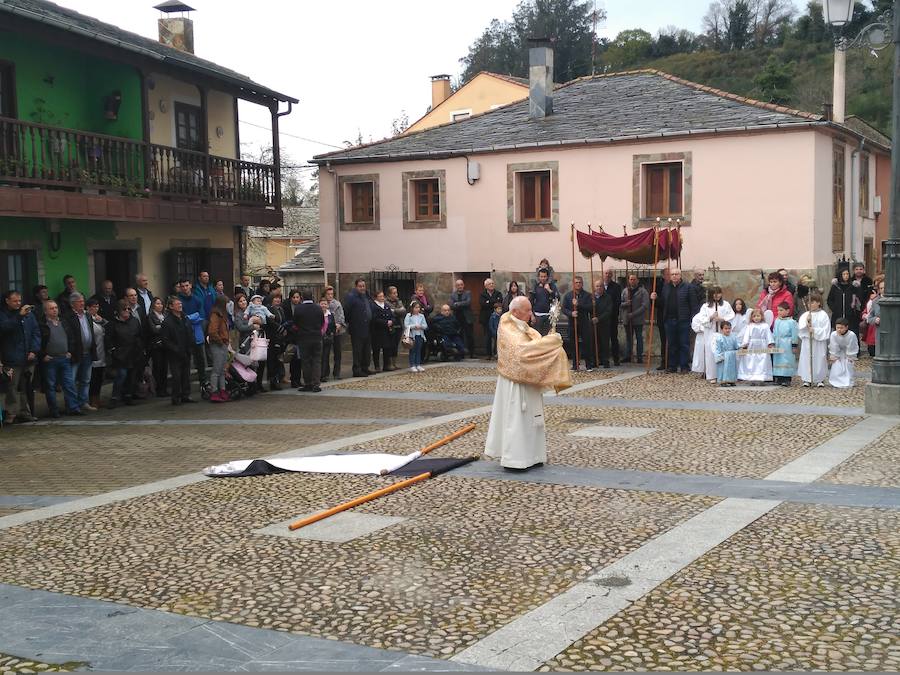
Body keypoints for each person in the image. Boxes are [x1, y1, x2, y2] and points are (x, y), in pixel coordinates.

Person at [485, 296, 571, 470]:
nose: (531, 314)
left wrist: (548, 342)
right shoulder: (507, 326)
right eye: (528, 310)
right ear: (516, 312)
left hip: (528, 382)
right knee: (517, 420)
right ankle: (515, 459)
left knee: (532, 419)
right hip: (515, 383)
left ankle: (534, 455)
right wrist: (551, 342)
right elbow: (521, 353)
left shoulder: (523, 327)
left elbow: (536, 345)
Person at [0, 290, 40, 423]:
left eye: (19, 300)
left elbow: (36, 332)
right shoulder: (3, 314)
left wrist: (34, 350)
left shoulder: (29, 314)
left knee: (26, 387)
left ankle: (25, 412)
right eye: (15, 301)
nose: (18, 303)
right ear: (7, 301)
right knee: (12, 387)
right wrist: (19, 316)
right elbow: (4, 328)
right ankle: (11, 413)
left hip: (29, 357)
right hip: (12, 357)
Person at [39, 300, 80, 418]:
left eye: (56, 307)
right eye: (51, 308)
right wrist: (43, 355)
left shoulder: (63, 322)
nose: (55, 310)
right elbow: (38, 341)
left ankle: (73, 408)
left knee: (69, 384)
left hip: (64, 358)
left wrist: (70, 351)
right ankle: (54, 410)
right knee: (50, 386)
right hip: (50, 360)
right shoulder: (42, 324)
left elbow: (71, 337)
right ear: (45, 311)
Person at [105, 299, 142, 407]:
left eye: (128, 309)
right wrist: (113, 350)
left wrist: (140, 348)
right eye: (124, 309)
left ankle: (128, 396)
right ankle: (115, 397)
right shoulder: (113, 324)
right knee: (121, 375)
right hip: (120, 355)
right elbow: (108, 339)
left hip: (133, 353)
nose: (126, 311)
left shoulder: (134, 321)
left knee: (132, 376)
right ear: (118, 311)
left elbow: (139, 335)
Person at [661, 269, 698, 373]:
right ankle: (672, 366)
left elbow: (694, 305)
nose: (674, 276)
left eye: (676, 274)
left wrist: (692, 319)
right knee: (672, 344)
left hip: (683, 320)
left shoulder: (688, 287)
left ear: (680, 275)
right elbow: (662, 303)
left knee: (684, 344)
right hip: (669, 320)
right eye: (672, 274)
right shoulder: (666, 287)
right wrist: (653, 298)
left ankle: (684, 366)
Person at [161, 296, 195, 405]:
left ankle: (186, 395)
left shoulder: (185, 318)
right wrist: (175, 349)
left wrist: (190, 346)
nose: (180, 305)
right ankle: (176, 397)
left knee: (186, 375)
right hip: (175, 353)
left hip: (186, 351)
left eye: (180, 304)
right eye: (177, 304)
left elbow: (190, 332)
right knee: (176, 376)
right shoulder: (167, 322)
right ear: (171, 306)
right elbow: (165, 340)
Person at [65, 292, 97, 412]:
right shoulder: (69, 317)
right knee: (71, 381)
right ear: (72, 304)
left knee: (85, 380)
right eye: (79, 301)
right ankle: (72, 405)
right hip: (75, 353)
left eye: (83, 301)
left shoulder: (87, 315)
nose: (82, 303)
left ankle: (83, 402)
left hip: (88, 352)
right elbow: (69, 335)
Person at [697, 287, 734, 383]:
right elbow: (701, 319)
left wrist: (722, 319)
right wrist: (711, 317)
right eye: (714, 293)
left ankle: (725, 374)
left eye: (718, 293)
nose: (716, 295)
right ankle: (712, 375)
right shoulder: (706, 306)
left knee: (723, 351)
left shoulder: (726, 304)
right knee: (711, 353)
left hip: (722, 332)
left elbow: (731, 315)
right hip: (711, 333)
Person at [294, 290, 324, 392]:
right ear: (312, 297)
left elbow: (295, 323)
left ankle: (308, 383)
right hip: (316, 337)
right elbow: (322, 322)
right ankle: (316, 384)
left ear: (302, 297)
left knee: (305, 361)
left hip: (303, 338)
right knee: (316, 361)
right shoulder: (318, 308)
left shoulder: (298, 309)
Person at [798, 292, 830, 387]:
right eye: (808, 303)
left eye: (812, 302)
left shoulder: (823, 315)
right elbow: (800, 328)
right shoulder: (805, 315)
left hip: (818, 342)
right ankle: (807, 378)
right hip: (808, 341)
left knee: (819, 358)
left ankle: (819, 378)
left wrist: (814, 330)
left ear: (819, 303)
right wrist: (806, 324)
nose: (810, 305)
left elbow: (826, 329)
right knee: (806, 358)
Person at [562, 276, 594, 370]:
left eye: (580, 282)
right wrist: (571, 313)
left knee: (587, 343)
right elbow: (564, 309)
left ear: (582, 283)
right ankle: (575, 364)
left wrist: (578, 304)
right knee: (573, 343)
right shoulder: (568, 296)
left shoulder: (587, 295)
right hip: (573, 322)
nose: (578, 284)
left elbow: (590, 307)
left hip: (584, 322)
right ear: (573, 284)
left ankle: (589, 364)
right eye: (576, 282)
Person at [344, 278, 374, 377]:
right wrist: (351, 323)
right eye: (360, 286)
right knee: (358, 351)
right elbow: (346, 311)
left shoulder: (367, 296)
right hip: (357, 328)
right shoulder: (351, 297)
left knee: (366, 350)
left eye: (363, 286)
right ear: (356, 287)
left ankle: (365, 368)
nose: (362, 288)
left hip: (367, 327)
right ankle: (357, 370)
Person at [739, 307, 774, 385]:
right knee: (752, 361)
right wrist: (745, 344)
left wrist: (770, 343)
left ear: (761, 316)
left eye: (758, 316)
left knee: (762, 361)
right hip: (752, 346)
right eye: (754, 316)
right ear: (752, 317)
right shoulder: (750, 326)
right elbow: (747, 336)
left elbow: (768, 335)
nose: (756, 318)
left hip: (763, 345)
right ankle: (752, 378)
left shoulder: (765, 326)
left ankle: (762, 377)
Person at [206, 296, 231, 403]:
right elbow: (212, 331)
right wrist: (220, 341)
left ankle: (222, 390)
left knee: (222, 370)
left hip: (223, 343)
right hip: (218, 344)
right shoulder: (215, 315)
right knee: (216, 370)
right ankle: (214, 391)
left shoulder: (222, 315)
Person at [621, 274, 649, 364]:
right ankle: (628, 356)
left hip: (638, 319)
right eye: (631, 279)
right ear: (629, 280)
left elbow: (645, 305)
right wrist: (626, 303)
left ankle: (639, 356)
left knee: (639, 338)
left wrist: (634, 314)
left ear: (637, 280)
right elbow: (620, 303)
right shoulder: (625, 291)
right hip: (627, 319)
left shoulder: (643, 291)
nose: (632, 281)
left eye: (634, 279)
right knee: (629, 338)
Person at [86, 297, 108, 409]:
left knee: (99, 378)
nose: (96, 308)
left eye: (97, 306)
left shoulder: (98, 318)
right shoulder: (87, 319)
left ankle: (97, 399)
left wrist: (102, 321)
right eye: (93, 307)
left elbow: (107, 327)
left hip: (101, 350)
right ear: (88, 308)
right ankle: (91, 400)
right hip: (93, 353)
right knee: (93, 378)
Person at [772, 301, 799, 387]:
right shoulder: (777, 321)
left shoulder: (791, 322)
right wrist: (772, 341)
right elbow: (774, 332)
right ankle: (779, 377)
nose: (779, 312)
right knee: (778, 359)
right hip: (778, 343)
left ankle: (787, 379)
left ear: (787, 311)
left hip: (787, 343)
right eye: (778, 310)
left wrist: (794, 345)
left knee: (787, 360)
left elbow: (794, 334)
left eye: (781, 310)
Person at [649, 267, 671, 370]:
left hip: (673, 316)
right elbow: (655, 304)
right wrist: (654, 298)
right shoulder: (658, 285)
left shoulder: (675, 285)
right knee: (664, 340)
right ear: (663, 275)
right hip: (662, 317)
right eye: (668, 274)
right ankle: (664, 361)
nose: (670, 276)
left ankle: (673, 361)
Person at [827, 268, 862, 335]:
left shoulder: (852, 286)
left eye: (847, 274)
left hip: (850, 316)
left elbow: (858, 298)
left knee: (851, 334)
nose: (846, 276)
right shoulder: (835, 287)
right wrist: (835, 309)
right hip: (838, 315)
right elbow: (830, 300)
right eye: (844, 274)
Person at [828, 317, 859, 388]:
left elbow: (852, 346)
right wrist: (834, 356)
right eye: (837, 327)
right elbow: (834, 346)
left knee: (848, 364)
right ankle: (837, 381)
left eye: (841, 328)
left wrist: (850, 356)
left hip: (848, 353)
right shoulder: (833, 334)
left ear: (846, 327)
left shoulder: (851, 335)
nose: (839, 330)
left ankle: (848, 380)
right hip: (838, 352)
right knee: (837, 365)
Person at [370, 290, 396, 372]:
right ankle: (377, 366)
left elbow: (392, 315)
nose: (382, 298)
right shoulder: (373, 306)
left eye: (382, 296)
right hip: (377, 331)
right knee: (376, 349)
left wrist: (391, 321)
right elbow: (374, 319)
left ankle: (386, 365)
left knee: (386, 348)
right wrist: (385, 322)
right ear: (376, 297)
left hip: (386, 330)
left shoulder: (386, 306)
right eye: (380, 296)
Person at [147, 297, 168, 398]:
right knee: (158, 367)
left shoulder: (165, 315)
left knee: (164, 367)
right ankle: (159, 388)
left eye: (161, 304)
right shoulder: (150, 316)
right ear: (153, 305)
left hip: (165, 344)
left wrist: (160, 326)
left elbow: (168, 327)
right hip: (156, 345)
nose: (160, 306)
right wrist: (162, 327)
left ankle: (164, 387)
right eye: (157, 304)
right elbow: (153, 330)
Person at [323, 286, 345, 380]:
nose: (330, 296)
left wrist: (339, 324)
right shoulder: (322, 304)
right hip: (326, 332)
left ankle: (337, 373)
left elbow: (341, 316)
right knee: (325, 354)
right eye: (328, 294)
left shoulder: (337, 304)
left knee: (337, 353)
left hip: (337, 331)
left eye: (332, 294)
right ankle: (325, 373)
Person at [530, 268, 559, 336]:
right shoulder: (535, 286)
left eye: (544, 276)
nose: (543, 278)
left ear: (547, 277)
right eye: (541, 276)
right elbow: (530, 302)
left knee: (548, 337)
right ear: (539, 277)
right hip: (537, 316)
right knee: (537, 337)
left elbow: (557, 298)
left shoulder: (552, 286)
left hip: (549, 316)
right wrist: (532, 315)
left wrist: (549, 290)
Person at [591, 279, 613, 368]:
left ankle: (605, 360)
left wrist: (599, 319)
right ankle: (596, 360)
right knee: (594, 342)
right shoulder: (591, 297)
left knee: (604, 343)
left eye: (600, 286)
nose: (599, 288)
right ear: (594, 287)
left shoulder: (608, 297)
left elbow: (609, 311)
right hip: (593, 324)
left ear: (603, 287)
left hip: (604, 323)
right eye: (597, 286)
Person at [451, 279, 475, 359]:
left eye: (461, 284)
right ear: (456, 286)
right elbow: (451, 305)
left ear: (463, 285)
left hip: (467, 318)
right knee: (459, 336)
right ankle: (461, 353)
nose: (460, 286)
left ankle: (472, 353)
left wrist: (457, 303)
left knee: (469, 336)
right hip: (457, 318)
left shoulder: (468, 293)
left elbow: (468, 302)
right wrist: (461, 304)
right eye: (458, 285)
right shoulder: (453, 295)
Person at [479, 279, 503, 358]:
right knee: (487, 337)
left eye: (493, 283)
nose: (492, 285)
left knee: (498, 337)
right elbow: (483, 304)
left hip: (497, 319)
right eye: (490, 284)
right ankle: (488, 354)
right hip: (486, 318)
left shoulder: (498, 293)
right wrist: (493, 302)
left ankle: (497, 353)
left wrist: (489, 302)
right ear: (485, 286)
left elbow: (499, 303)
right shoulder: (482, 294)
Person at [385, 286, 406, 372]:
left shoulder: (398, 301)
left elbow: (403, 311)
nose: (396, 294)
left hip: (399, 325)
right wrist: (397, 311)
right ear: (389, 294)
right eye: (394, 293)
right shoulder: (386, 302)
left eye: (396, 292)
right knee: (391, 345)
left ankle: (394, 363)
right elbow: (390, 312)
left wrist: (395, 311)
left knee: (396, 346)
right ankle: (389, 364)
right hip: (391, 326)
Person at [713, 321, 740, 387]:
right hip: (724, 355)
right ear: (722, 329)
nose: (728, 330)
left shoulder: (733, 337)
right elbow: (717, 349)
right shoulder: (719, 338)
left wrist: (741, 347)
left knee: (732, 369)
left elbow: (736, 346)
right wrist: (719, 356)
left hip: (732, 356)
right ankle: (723, 381)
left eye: (729, 328)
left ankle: (731, 380)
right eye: (726, 328)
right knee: (723, 368)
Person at [604, 271, 622, 365]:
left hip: (612, 316)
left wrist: (610, 310)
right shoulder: (600, 285)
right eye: (606, 273)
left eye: (609, 274)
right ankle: (603, 358)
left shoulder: (616, 286)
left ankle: (616, 358)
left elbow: (617, 301)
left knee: (613, 338)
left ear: (612, 275)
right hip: (602, 318)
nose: (608, 275)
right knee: (603, 338)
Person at [404, 301, 428, 372]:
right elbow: (406, 325)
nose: (417, 309)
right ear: (412, 308)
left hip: (420, 335)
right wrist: (414, 326)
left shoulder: (421, 316)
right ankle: (412, 365)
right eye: (416, 307)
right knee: (413, 350)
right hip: (412, 336)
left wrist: (421, 326)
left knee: (419, 350)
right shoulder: (409, 315)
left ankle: (418, 364)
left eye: (418, 308)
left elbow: (425, 325)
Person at [865, 279, 885, 356]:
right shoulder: (875, 301)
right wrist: (875, 319)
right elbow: (869, 318)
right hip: (880, 331)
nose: (883, 290)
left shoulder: (896, 299)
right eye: (881, 288)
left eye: (885, 287)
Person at [320, 297, 337, 382]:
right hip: (319, 338)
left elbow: (333, 326)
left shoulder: (331, 315)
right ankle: (319, 374)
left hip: (327, 339)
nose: (323, 305)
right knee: (319, 357)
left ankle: (324, 375)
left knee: (325, 357)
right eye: (322, 303)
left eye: (325, 304)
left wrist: (331, 334)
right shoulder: (317, 314)